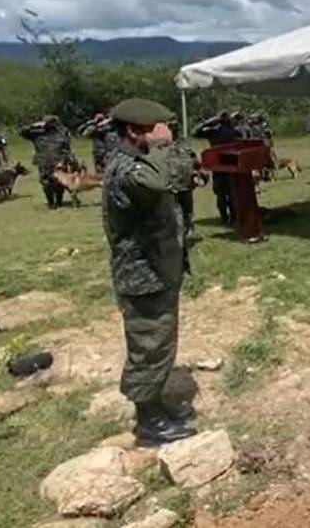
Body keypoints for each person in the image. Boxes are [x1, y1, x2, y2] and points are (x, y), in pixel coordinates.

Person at [103, 98, 196, 447]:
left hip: (158, 269)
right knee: (148, 344)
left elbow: (183, 170)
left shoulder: (143, 163)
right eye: (160, 129)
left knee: (160, 342)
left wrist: (166, 148)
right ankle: (148, 421)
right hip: (142, 275)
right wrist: (161, 146)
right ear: (134, 131)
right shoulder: (126, 170)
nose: (168, 136)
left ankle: (156, 404)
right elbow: (161, 181)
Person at [193, 112, 239, 225]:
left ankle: (224, 217)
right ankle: (234, 217)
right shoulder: (235, 132)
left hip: (218, 166)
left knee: (221, 195)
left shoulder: (213, 132)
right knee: (232, 193)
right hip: (232, 165)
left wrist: (209, 122)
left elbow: (196, 132)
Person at [21, 115, 75, 209]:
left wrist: (67, 160)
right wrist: (34, 125)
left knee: (60, 183)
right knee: (46, 183)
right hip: (44, 162)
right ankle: (51, 203)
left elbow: (67, 147)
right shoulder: (37, 133)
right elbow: (22, 132)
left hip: (59, 161)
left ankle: (59, 202)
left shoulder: (62, 133)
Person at [165, 120, 200, 237]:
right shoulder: (160, 145)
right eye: (171, 127)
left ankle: (189, 228)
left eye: (175, 127)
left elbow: (194, 159)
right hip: (170, 182)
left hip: (186, 181)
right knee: (172, 210)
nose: (173, 130)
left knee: (187, 208)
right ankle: (176, 232)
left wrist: (196, 173)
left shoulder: (184, 143)